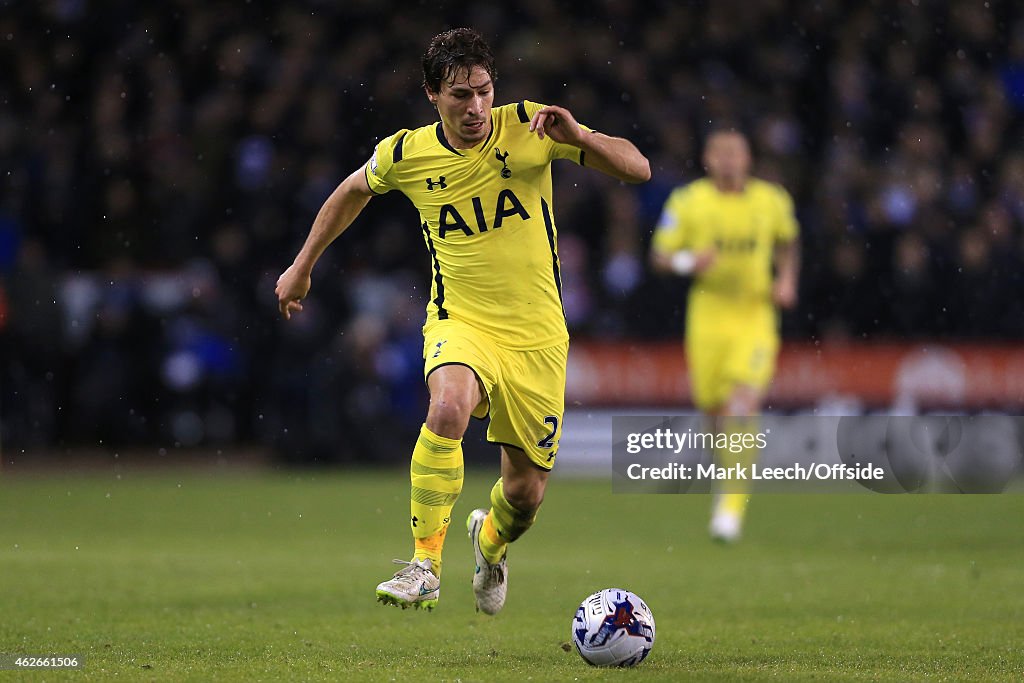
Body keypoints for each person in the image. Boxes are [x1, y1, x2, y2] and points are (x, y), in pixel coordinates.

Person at [276, 28, 649, 613]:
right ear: (432, 94)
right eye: (459, 95)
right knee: (447, 406)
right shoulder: (407, 153)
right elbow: (350, 191)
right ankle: (424, 565)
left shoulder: (531, 125)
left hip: (538, 336)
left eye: (482, 90)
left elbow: (638, 169)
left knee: (525, 496)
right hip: (461, 320)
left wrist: (583, 139)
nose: (475, 107)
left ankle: (491, 544)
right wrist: (302, 267)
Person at [649, 128, 799, 543]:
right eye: (722, 153)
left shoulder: (772, 201)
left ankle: (730, 507)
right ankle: (727, 482)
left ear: (748, 159)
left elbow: (788, 242)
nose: (731, 160)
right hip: (708, 317)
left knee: (741, 403)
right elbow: (659, 256)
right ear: (708, 159)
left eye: (738, 152)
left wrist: (785, 279)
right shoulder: (688, 201)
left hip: (754, 315)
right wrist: (686, 262)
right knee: (716, 415)